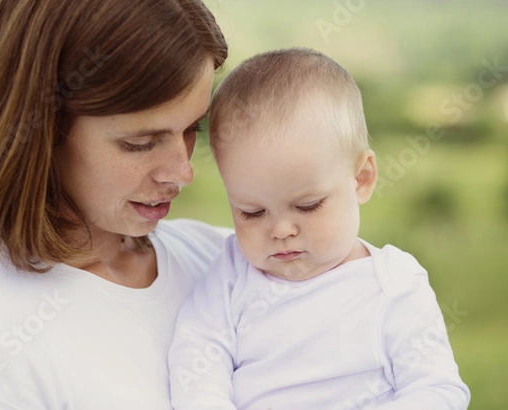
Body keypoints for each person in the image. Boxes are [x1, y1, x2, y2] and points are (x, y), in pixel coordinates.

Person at [0, 0, 230, 409]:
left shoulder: (225, 262)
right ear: (40, 131)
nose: (182, 171)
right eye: (139, 142)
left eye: (193, 128)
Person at [168, 48, 471, 409]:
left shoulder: (393, 284)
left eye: (307, 206)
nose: (280, 229)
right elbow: (198, 353)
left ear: (361, 179)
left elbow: (437, 390)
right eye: (251, 212)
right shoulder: (233, 273)